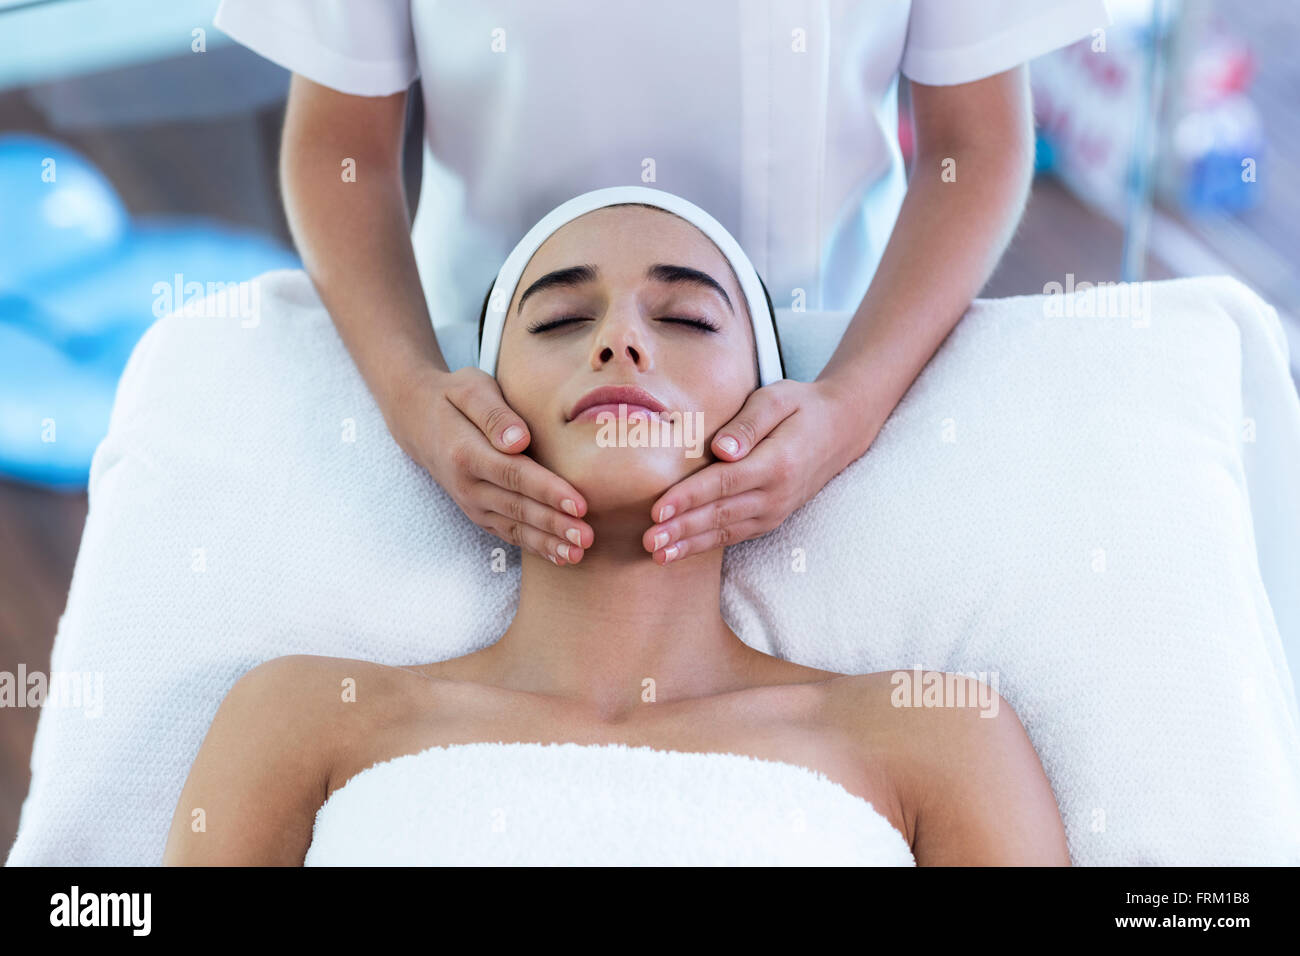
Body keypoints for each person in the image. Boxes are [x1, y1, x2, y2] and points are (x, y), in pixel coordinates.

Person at [161, 193, 1069, 865]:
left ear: (766, 415)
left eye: (685, 317)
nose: (620, 341)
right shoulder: (303, 719)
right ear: (479, 409)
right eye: (559, 318)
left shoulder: (936, 737)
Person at [211, 0, 1110, 568]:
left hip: (819, 362)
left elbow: (975, 143)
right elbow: (342, 148)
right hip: (480, 370)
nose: (626, 345)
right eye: (579, 311)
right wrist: (408, 390)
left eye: (678, 312)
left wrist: (852, 401)